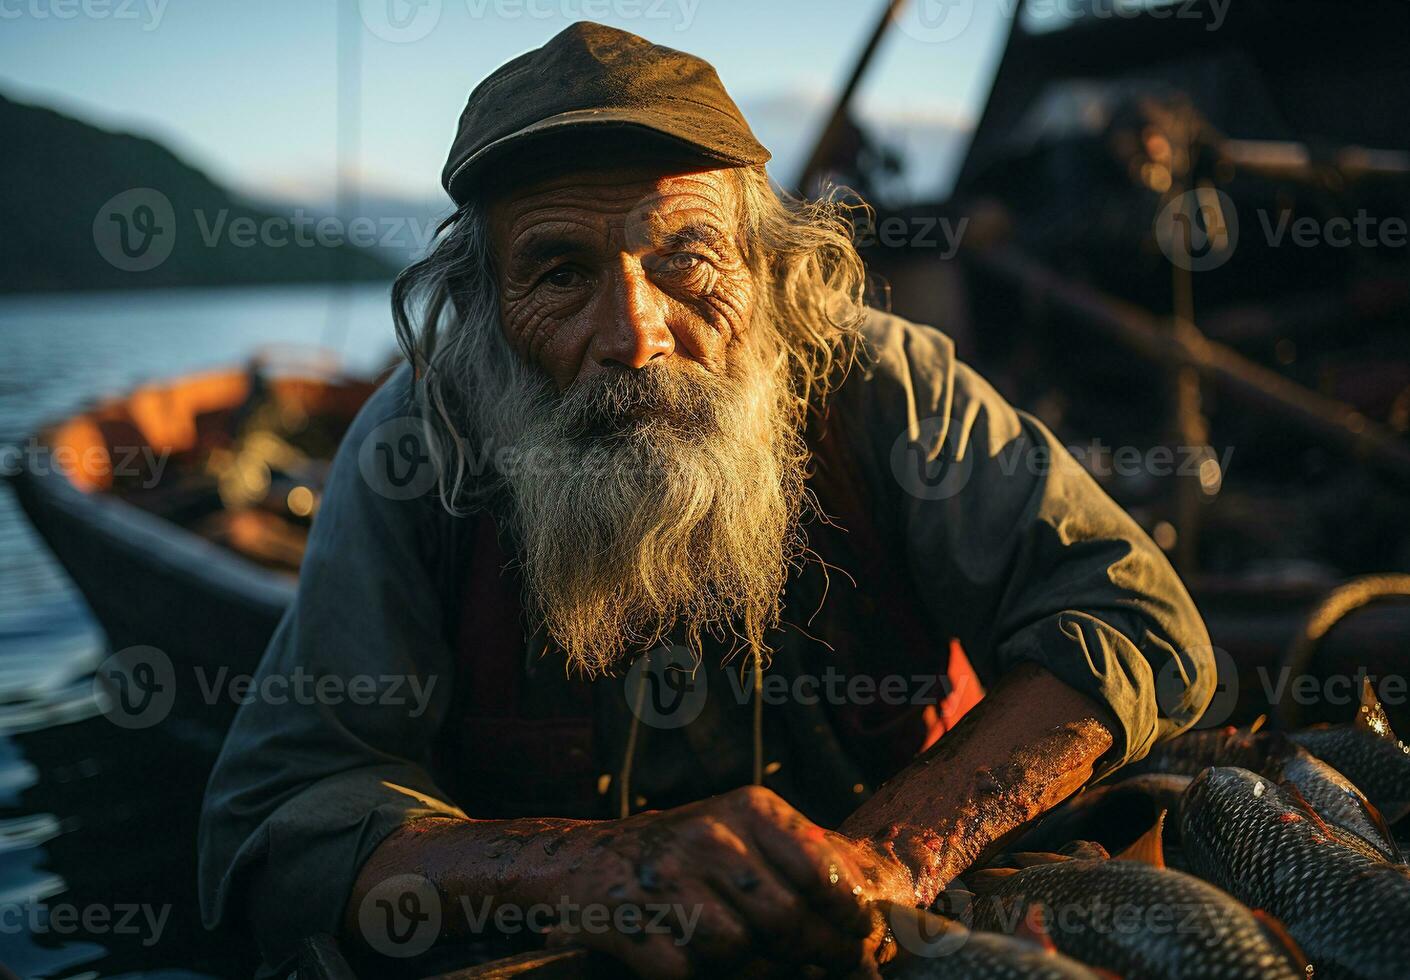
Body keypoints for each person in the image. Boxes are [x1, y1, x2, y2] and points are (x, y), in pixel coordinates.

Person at [199, 22, 1213, 978]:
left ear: (769, 271)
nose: (636, 334)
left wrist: (883, 860)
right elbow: (276, 820)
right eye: (560, 272)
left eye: (684, 256)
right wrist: (596, 868)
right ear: (481, 315)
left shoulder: (880, 387)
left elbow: (1134, 616)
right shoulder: (415, 447)